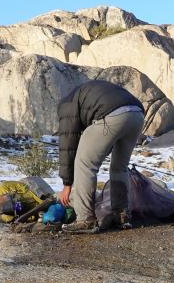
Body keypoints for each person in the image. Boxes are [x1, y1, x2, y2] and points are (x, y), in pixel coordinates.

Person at [57, 81, 145, 233]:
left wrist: (67, 184)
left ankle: (85, 219)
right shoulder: (88, 93)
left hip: (111, 115)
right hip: (136, 114)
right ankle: (121, 215)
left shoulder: (66, 106)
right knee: (120, 167)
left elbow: (68, 145)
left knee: (85, 164)